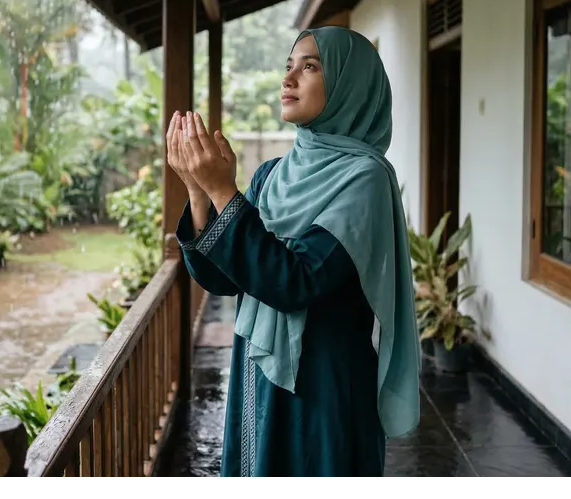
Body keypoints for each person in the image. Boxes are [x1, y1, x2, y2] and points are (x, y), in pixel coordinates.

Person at [166, 26, 421, 482]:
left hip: (323, 382)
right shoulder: (272, 175)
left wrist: (225, 189)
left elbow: (297, 281)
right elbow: (230, 278)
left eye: (310, 66)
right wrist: (200, 192)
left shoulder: (365, 180)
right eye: (289, 65)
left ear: (349, 84)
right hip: (259, 372)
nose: (289, 79)